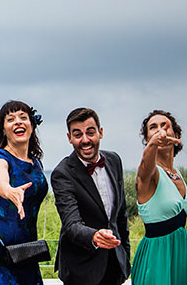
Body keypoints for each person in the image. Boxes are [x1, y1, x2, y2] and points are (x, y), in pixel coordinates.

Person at [51, 106, 130, 285]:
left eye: (90, 132)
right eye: (77, 134)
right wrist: (94, 236)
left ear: (100, 133)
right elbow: (71, 225)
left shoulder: (114, 160)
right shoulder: (62, 173)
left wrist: (125, 259)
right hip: (81, 269)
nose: (85, 140)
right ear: (69, 138)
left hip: (115, 265)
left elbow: (121, 215)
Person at [0, 100, 48, 285]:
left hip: (27, 250)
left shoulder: (36, 163)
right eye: (11, 119)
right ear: (3, 129)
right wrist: (10, 191)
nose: (18, 122)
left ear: (32, 125)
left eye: (23, 118)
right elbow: (1, 182)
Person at [130, 110, 187, 285]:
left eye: (164, 126)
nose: (159, 131)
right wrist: (154, 144)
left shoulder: (177, 173)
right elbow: (144, 167)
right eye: (153, 127)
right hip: (157, 259)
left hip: (179, 257)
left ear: (176, 134)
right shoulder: (149, 174)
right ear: (147, 138)